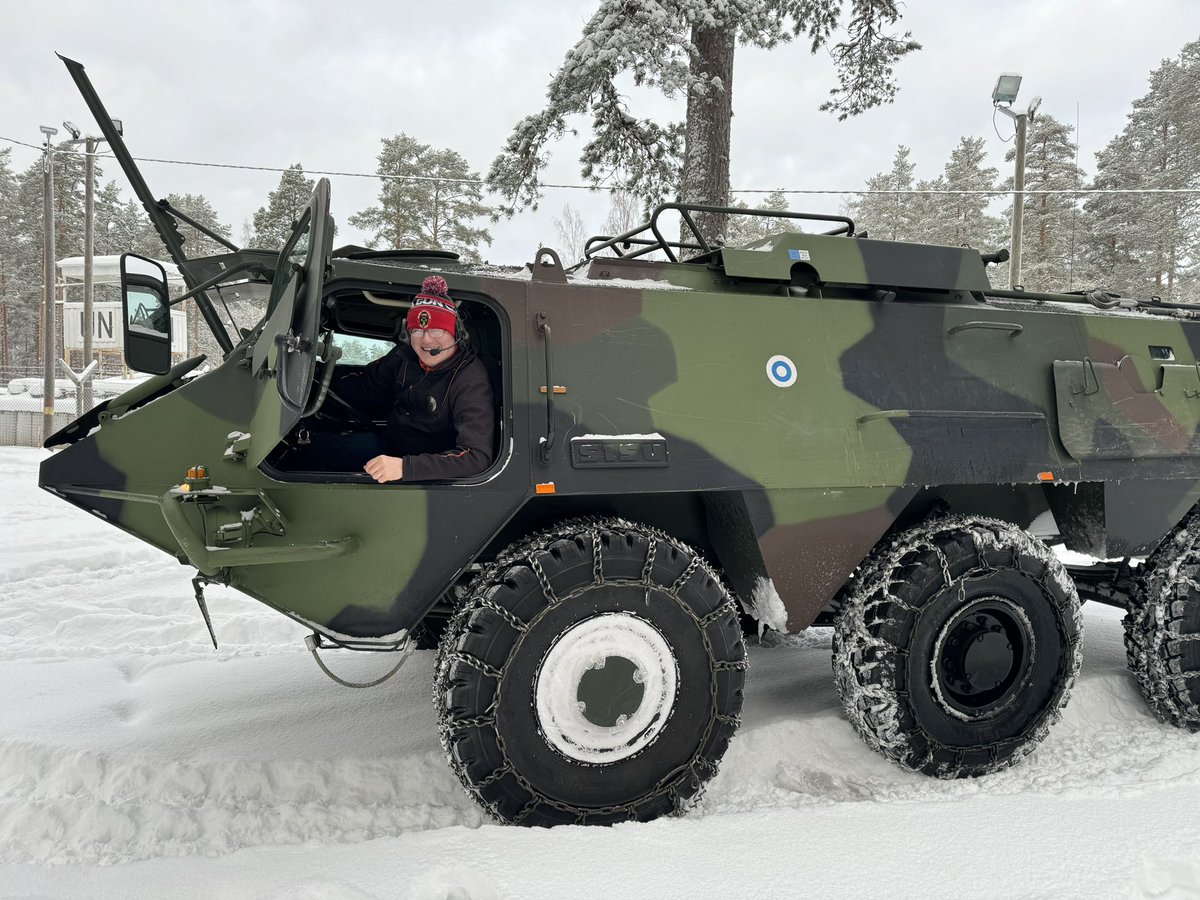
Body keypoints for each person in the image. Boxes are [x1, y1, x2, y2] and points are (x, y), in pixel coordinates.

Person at [294, 275, 495, 482]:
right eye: (417, 331)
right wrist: (312, 381)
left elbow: (476, 457)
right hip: (390, 444)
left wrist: (406, 467)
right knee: (318, 451)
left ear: (456, 334)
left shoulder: (469, 379)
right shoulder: (406, 356)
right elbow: (365, 387)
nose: (426, 340)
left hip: (428, 473)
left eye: (436, 330)